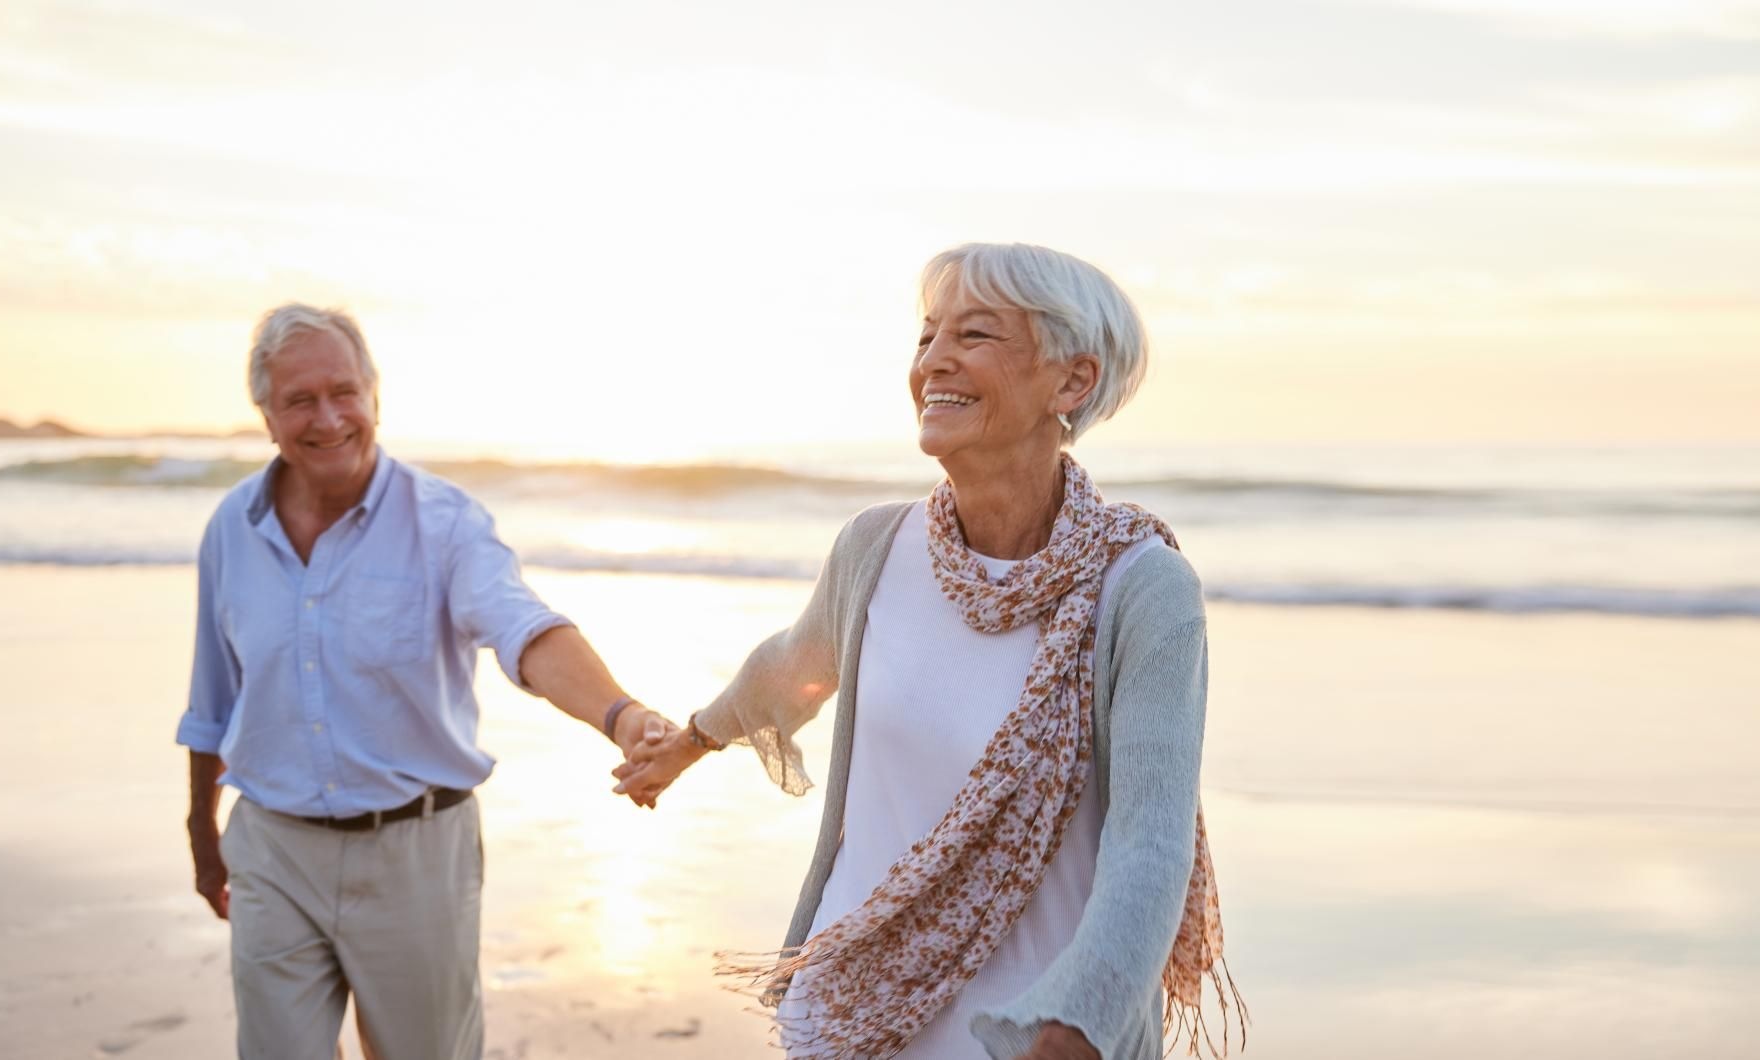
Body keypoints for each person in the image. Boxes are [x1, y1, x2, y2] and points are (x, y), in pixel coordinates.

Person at [615, 244, 1245, 1059]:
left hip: (1030, 1036)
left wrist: (1080, 1025)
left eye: (975, 336)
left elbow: (1150, 843)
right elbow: (790, 670)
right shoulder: (875, 548)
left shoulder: (1141, 587)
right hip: (851, 1018)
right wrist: (691, 742)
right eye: (925, 336)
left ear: (1073, 381)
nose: (933, 361)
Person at [177, 304, 671, 1060]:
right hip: (271, 849)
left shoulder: (444, 523)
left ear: (375, 394)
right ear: (266, 416)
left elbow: (521, 628)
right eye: (299, 400)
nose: (329, 417)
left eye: (344, 391)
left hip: (415, 852)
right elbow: (212, 702)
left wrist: (618, 712)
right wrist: (202, 833)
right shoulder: (230, 528)